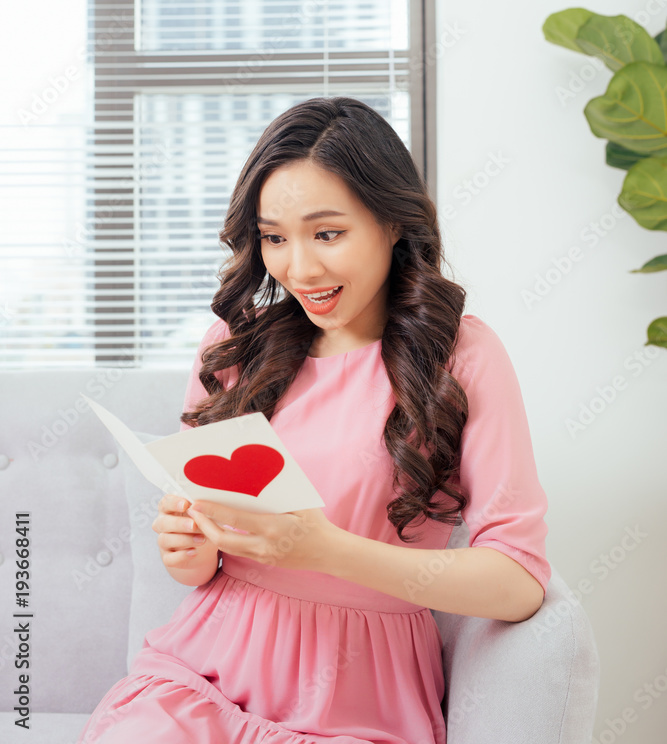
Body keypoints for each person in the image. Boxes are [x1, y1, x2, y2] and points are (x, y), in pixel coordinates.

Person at [77, 96, 551, 744]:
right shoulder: (233, 347)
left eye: (326, 233)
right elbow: (204, 559)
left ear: (391, 222)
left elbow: (518, 581)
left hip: (360, 699)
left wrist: (326, 551)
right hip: (200, 677)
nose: (298, 268)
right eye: (274, 237)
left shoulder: (461, 357)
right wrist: (189, 549)